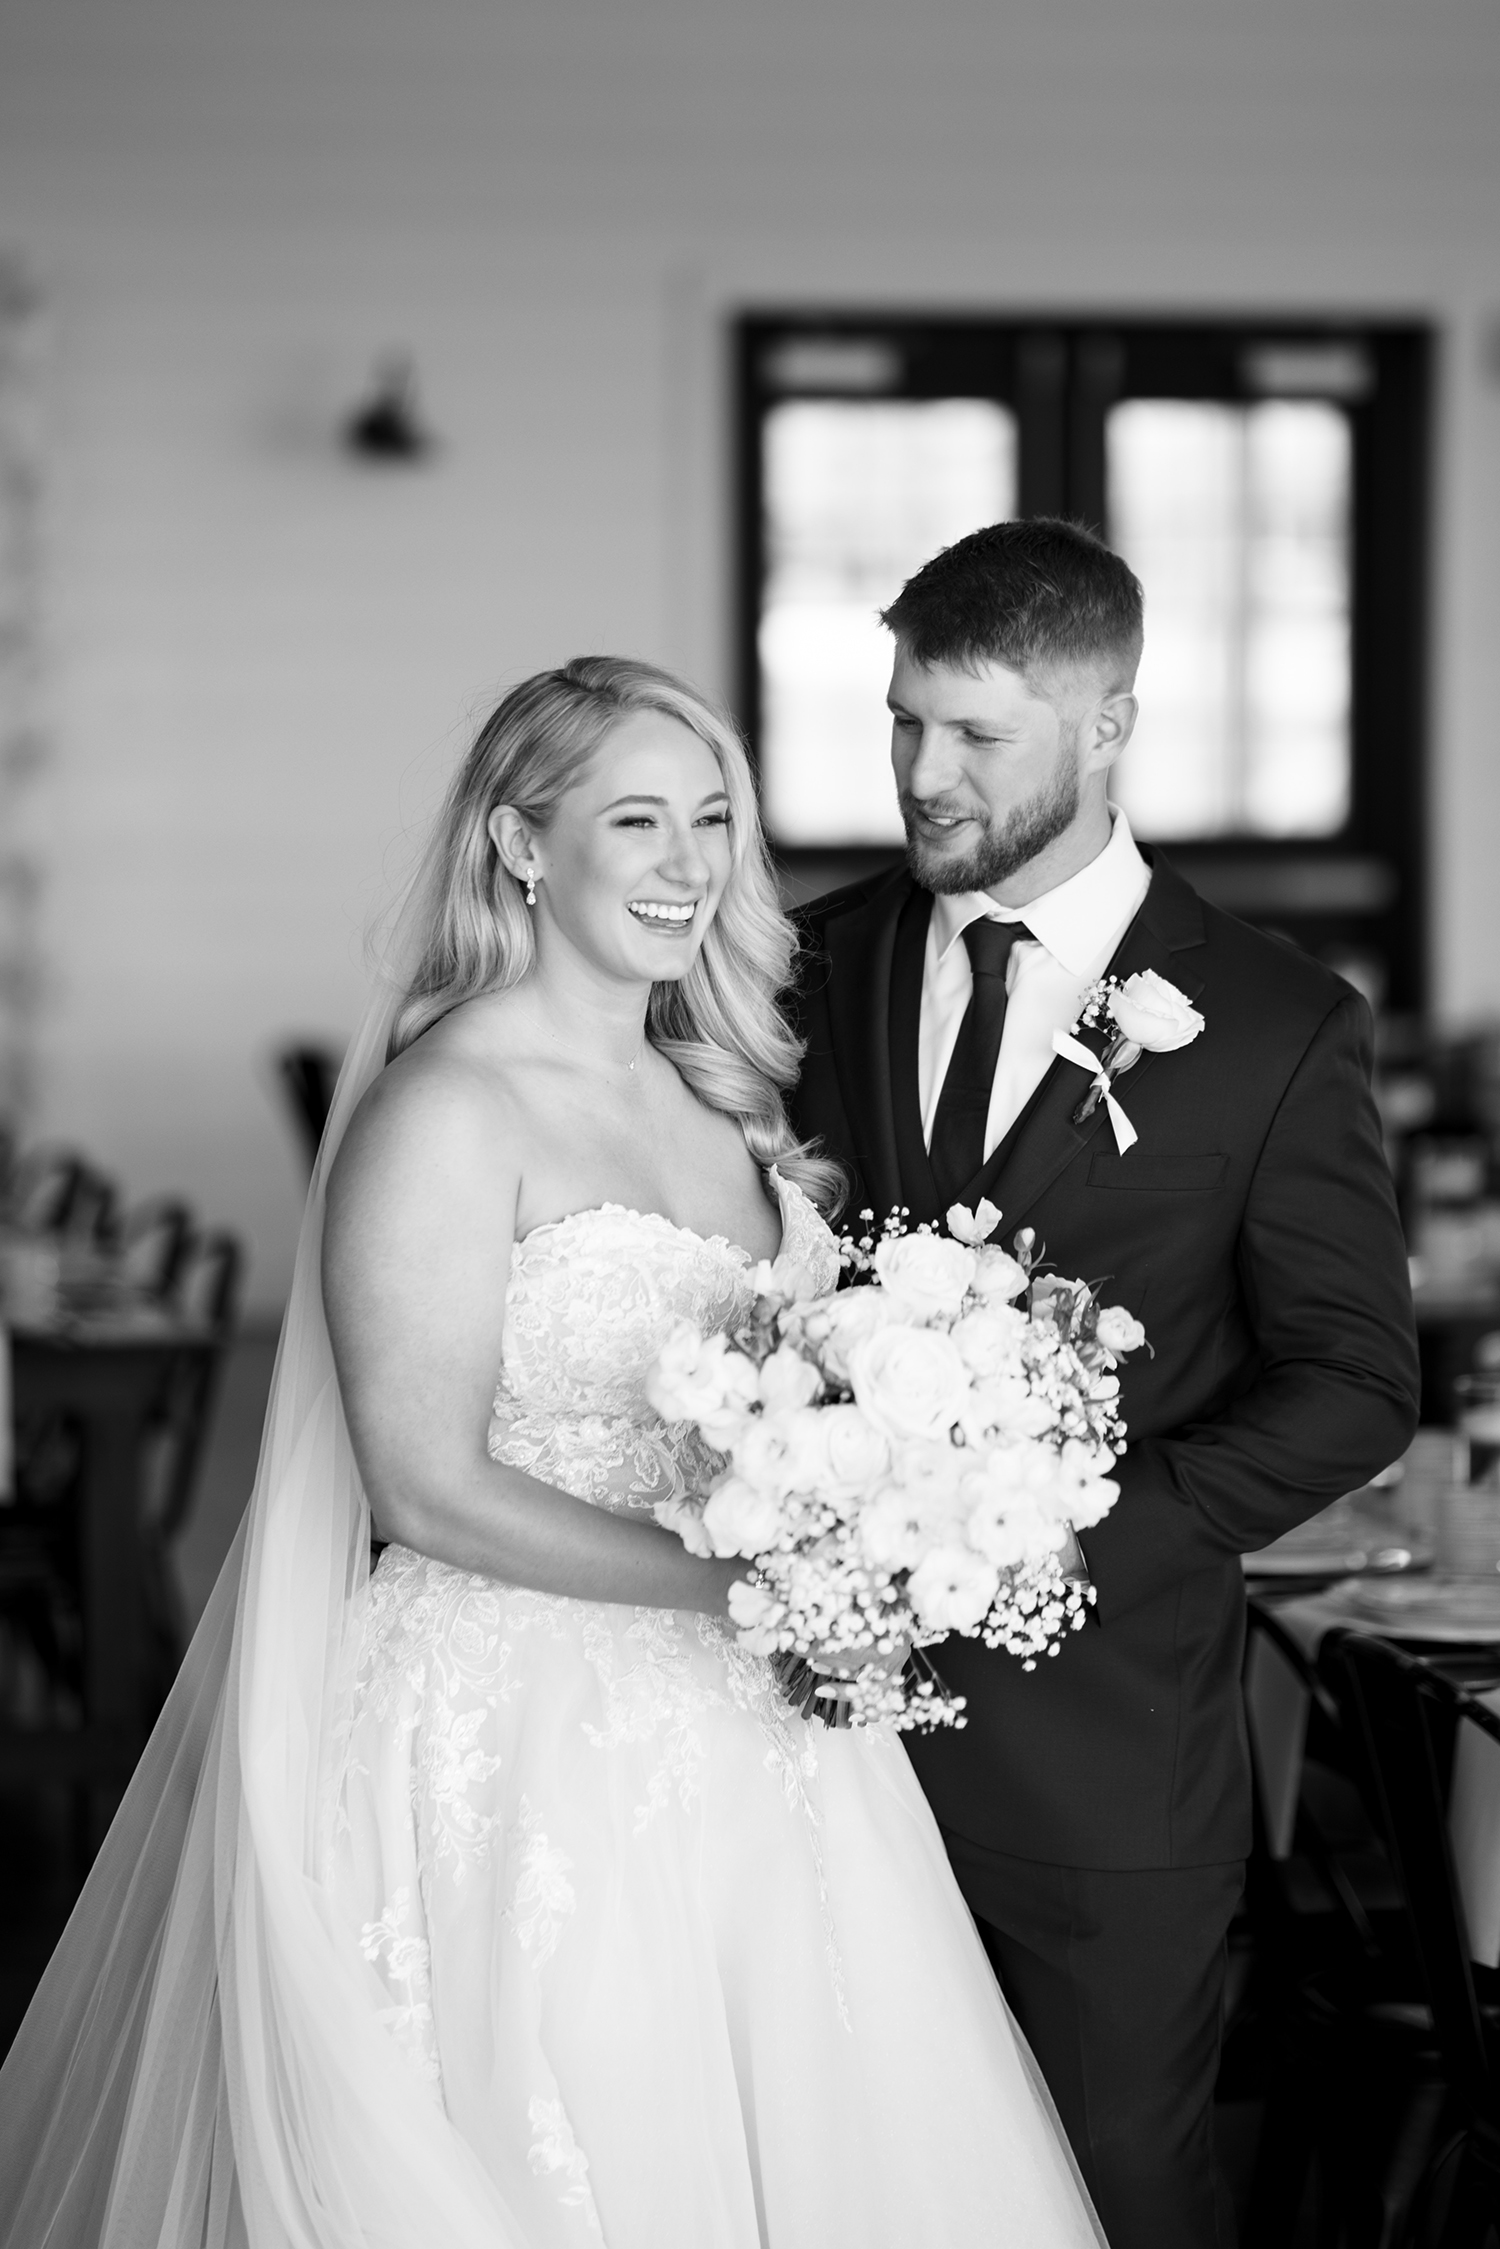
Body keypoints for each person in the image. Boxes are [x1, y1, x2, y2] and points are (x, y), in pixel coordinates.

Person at [0, 656, 1104, 2249]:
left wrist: (883, 1500)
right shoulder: (447, 1108)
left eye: (713, 817)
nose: (687, 863)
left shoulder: (717, 1091)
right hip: (518, 1732)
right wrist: (749, 1590)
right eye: (636, 819)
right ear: (524, 845)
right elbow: (423, 1484)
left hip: (763, 1743)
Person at [788, 520, 1421, 2249]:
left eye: (976, 735)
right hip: (801, 1737)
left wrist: (1081, 1536)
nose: (923, 773)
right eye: (906, 720)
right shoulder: (809, 961)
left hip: (1104, 1757)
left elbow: (1357, 1379)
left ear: (1110, 724)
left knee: (1113, 2201)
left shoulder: (1282, 1021)